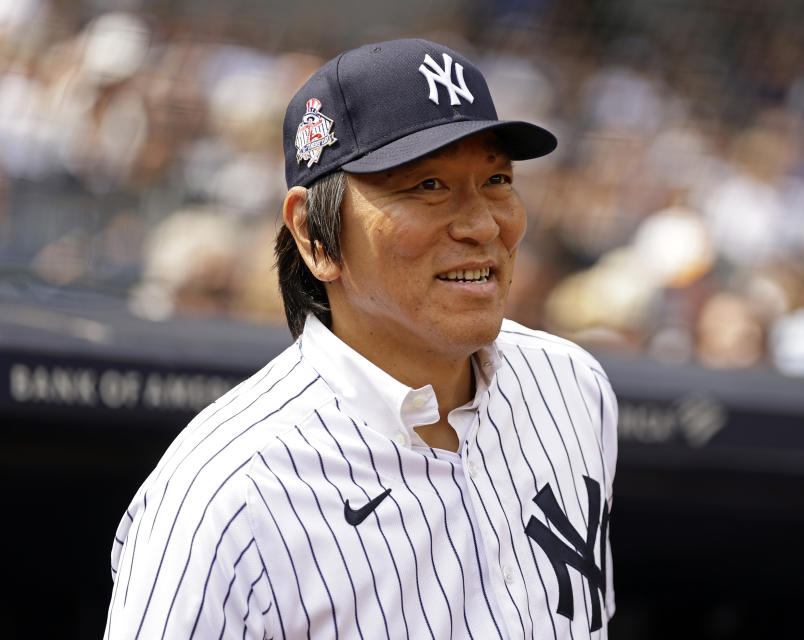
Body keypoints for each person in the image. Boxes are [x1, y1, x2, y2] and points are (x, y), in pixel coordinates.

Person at [105, 38, 618, 639]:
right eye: (427, 185)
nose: (483, 224)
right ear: (313, 235)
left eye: (498, 179)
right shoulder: (226, 496)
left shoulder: (572, 387)